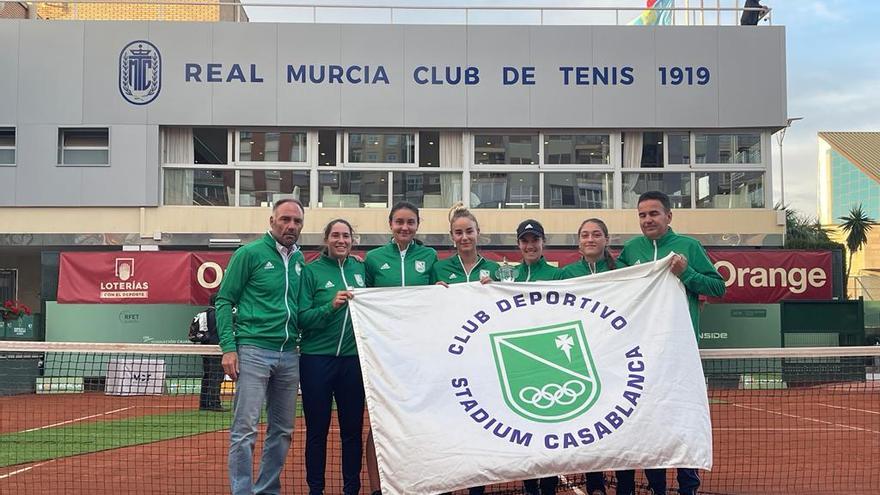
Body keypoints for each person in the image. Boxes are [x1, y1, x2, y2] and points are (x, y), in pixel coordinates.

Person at [614, 191, 725, 495]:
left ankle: (688, 486)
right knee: (649, 421)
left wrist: (686, 272)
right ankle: (656, 487)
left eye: (653, 213)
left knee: (681, 418)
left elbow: (718, 286)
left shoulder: (688, 246)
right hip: (641, 352)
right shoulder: (632, 249)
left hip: (679, 352)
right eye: (642, 215)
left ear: (668, 216)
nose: (647, 220)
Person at [216, 198, 306, 495]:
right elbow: (224, 300)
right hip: (253, 352)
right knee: (245, 431)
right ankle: (242, 491)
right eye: (285, 219)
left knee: (282, 432)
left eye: (296, 221)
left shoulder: (299, 260)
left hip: (289, 354)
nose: (291, 225)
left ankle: (267, 490)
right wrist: (229, 347)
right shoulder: (249, 254)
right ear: (272, 222)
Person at [364, 201, 438, 495]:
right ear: (390, 224)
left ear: (417, 225)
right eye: (399, 222)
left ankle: (426, 484)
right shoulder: (373, 259)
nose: (404, 227)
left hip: (420, 354)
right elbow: (364, 300)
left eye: (410, 222)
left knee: (422, 420)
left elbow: (438, 296)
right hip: (383, 354)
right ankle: (375, 488)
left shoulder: (430, 256)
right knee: (378, 421)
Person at [298, 219, 366, 495]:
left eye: (346, 236)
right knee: (317, 431)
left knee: (352, 431)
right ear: (326, 239)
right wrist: (330, 306)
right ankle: (316, 489)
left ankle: (352, 489)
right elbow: (303, 318)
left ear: (353, 239)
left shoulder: (361, 268)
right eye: (335, 235)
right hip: (316, 361)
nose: (341, 240)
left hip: (353, 362)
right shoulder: (311, 272)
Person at [433, 203, 497, 495]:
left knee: (480, 425)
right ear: (452, 236)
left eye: (469, 231)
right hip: (450, 359)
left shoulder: (494, 268)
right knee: (450, 424)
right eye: (458, 233)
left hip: (484, 360)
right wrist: (435, 291)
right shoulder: (440, 268)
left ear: (478, 233)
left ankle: (477, 488)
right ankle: (447, 483)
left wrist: (494, 288)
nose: (464, 237)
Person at [560, 218, 616, 495]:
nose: (590, 239)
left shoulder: (624, 271)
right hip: (582, 361)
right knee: (590, 425)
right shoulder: (567, 273)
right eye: (585, 235)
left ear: (606, 239)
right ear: (579, 241)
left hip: (616, 359)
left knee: (620, 425)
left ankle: (625, 485)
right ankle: (595, 485)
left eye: (596, 234)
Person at [512, 218, 562, 495]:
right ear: (519, 244)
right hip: (518, 365)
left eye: (535, 240)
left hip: (550, 364)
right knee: (525, 432)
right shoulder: (507, 277)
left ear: (543, 243)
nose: (530, 245)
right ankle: (530, 486)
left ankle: (550, 487)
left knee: (550, 431)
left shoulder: (557, 276)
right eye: (525, 240)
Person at [195, 293, 225, 412]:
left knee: (207, 375)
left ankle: (204, 403)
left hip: (205, 348)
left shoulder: (202, 314)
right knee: (216, 376)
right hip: (217, 349)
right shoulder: (220, 314)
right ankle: (214, 403)